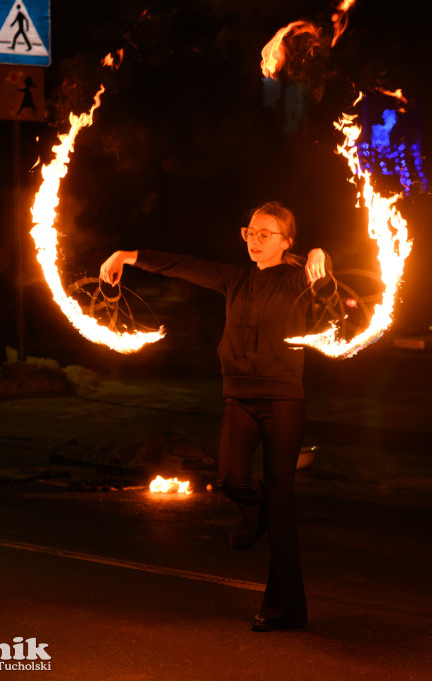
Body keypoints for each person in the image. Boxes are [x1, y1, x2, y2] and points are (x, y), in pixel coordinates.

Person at [100, 201, 331, 632]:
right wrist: (129, 256)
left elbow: (335, 289)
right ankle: (260, 512)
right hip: (238, 396)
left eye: (266, 234)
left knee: (282, 504)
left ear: (287, 242)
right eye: (250, 232)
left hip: (283, 399)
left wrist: (322, 257)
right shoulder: (235, 277)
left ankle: (285, 608)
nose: (256, 241)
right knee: (230, 478)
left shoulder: (301, 277)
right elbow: (184, 265)